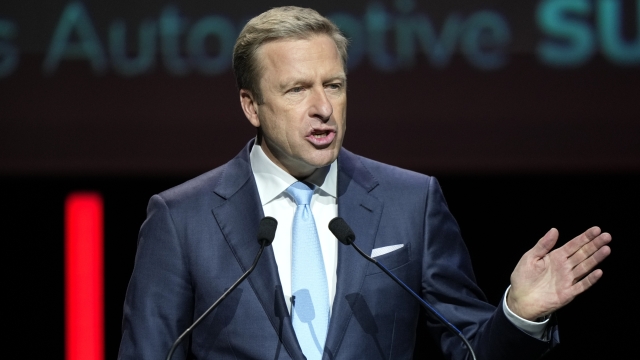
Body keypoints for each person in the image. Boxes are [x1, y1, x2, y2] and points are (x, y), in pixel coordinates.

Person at [117, 6, 611, 360]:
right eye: (296, 90)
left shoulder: (410, 202)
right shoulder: (181, 218)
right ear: (251, 106)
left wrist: (518, 314)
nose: (323, 107)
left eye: (333, 85)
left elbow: (469, 349)